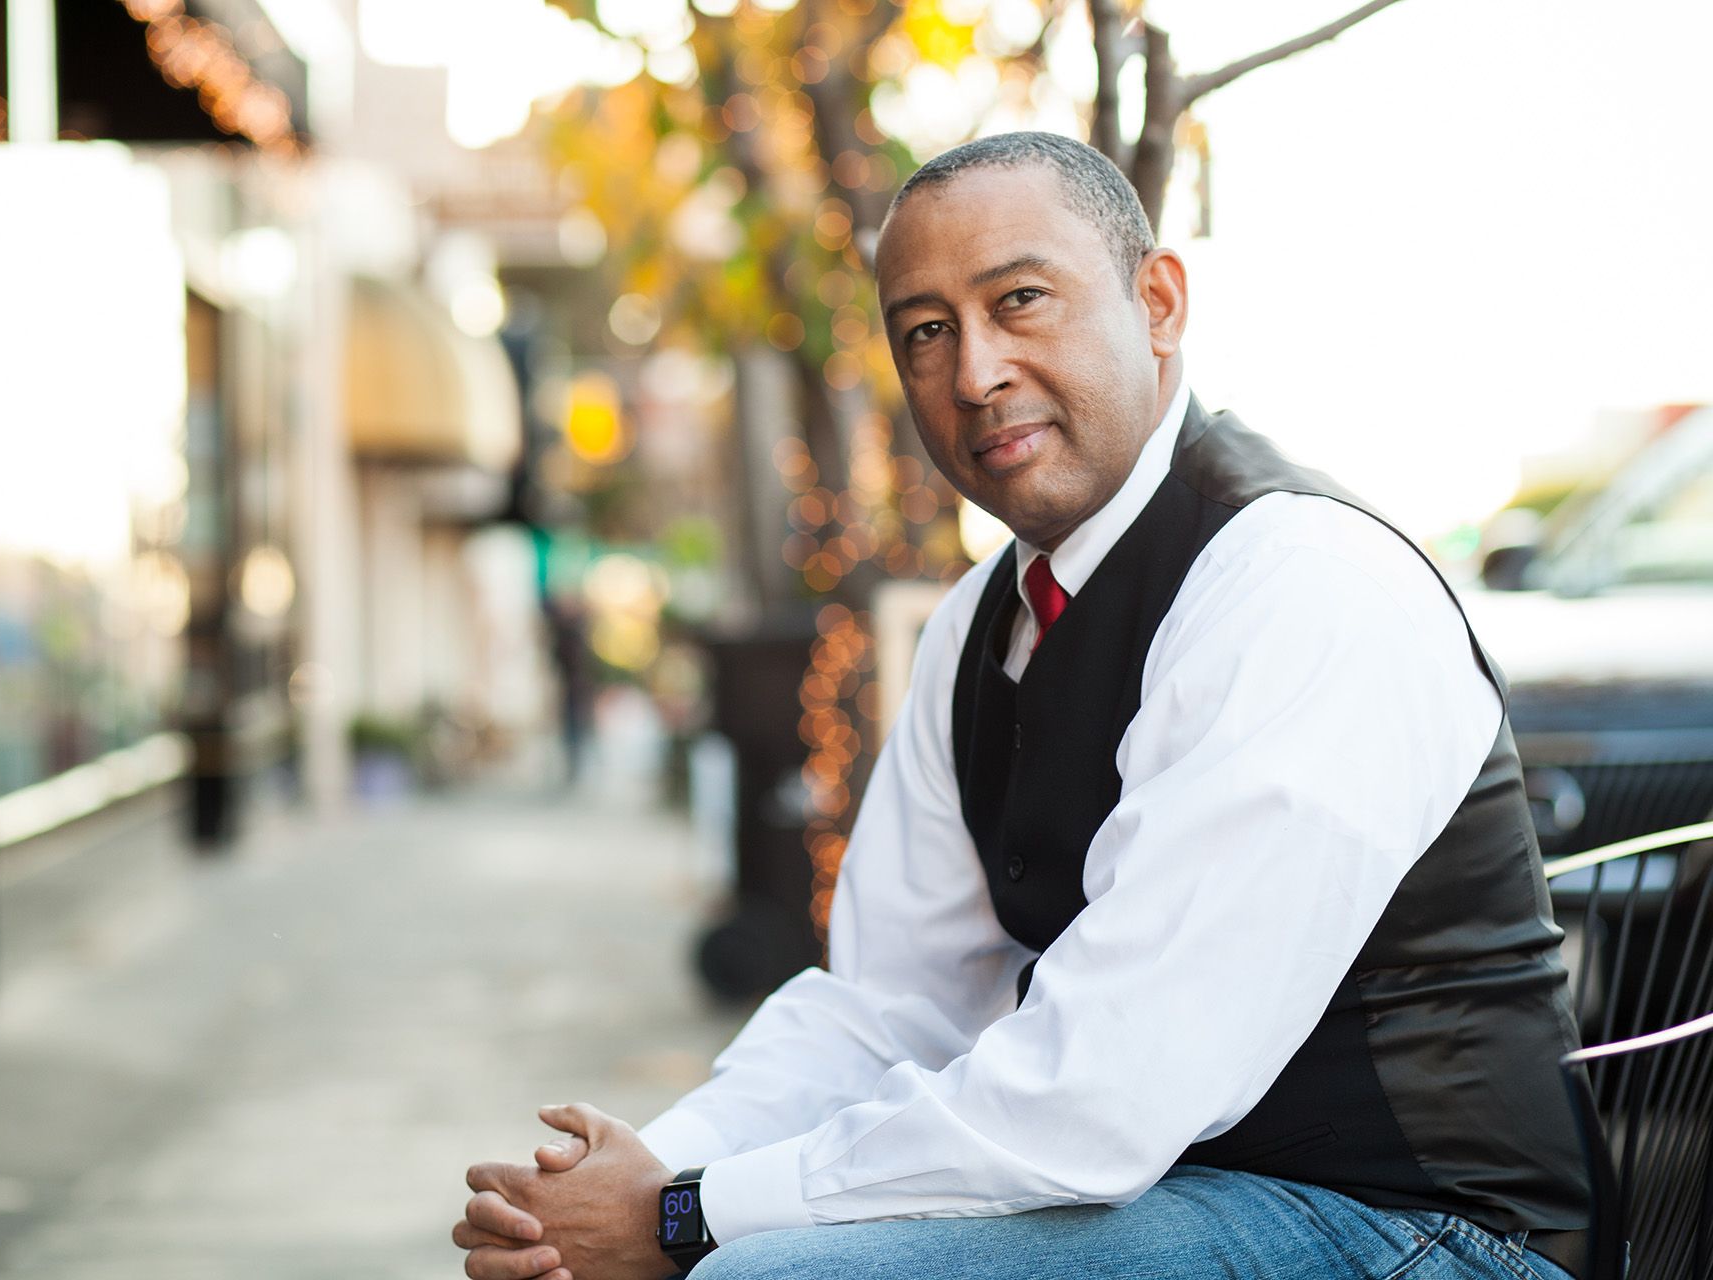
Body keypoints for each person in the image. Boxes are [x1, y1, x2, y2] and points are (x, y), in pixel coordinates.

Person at [452, 132, 1593, 1280]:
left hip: (1423, 1229)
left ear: (1157, 301)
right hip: (1175, 1194)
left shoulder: (1298, 582)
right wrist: (642, 1172)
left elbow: (1105, 1092)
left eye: (1022, 300)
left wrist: (684, 1217)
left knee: (759, 1273)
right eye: (926, 332)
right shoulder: (976, 628)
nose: (975, 372)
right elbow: (887, 1009)